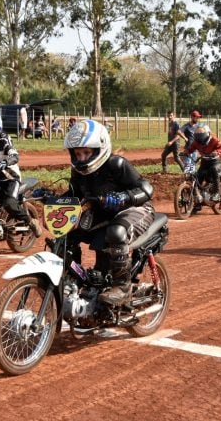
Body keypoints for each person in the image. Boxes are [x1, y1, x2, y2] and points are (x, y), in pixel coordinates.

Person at [61, 119, 155, 306]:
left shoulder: (116, 164)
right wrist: (45, 195)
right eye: (77, 153)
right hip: (103, 212)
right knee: (68, 233)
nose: (81, 158)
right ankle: (75, 279)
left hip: (136, 210)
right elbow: (74, 195)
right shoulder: (78, 172)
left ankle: (122, 287)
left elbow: (146, 189)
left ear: (100, 149)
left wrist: (124, 197)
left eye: (86, 152)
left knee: (116, 232)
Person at [185, 125, 221, 201]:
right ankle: (197, 201)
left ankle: (217, 193)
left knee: (214, 170)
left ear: (207, 133)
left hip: (215, 162)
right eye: (197, 133)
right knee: (198, 178)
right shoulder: (196, 142)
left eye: (201, 132)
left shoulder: (214, 140)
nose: (199, 135)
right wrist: (186, 152)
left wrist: (216, 152)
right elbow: (190, 149)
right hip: (204, 163)